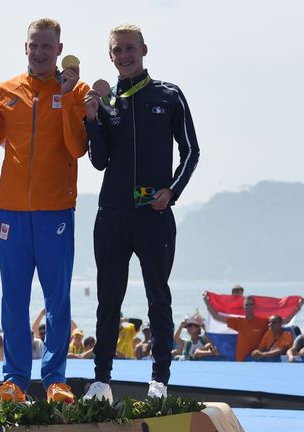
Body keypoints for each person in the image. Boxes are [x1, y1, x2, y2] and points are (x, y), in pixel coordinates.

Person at [82, 23, 200, 403]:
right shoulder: (105, 100)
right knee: (108, 299)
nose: (125, 55)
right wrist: (91, 120)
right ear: (111, 55)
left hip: (154, 214)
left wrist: (172, 191)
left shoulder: (168, 95)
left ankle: (159, 380)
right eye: (118, 50)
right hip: (112, 214)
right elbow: (99, 161)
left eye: (131, 48)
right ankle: (101, 381)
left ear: (144, 50)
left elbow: (191, 151)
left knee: (158, 299)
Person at [0, 18, 89, 405]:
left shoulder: (75, 90)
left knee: (57, 299)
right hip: (12, 213)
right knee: (13, 300)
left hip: (56, 212)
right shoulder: (5, 91)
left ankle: (55, 381)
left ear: (59, 50)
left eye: (48, 46)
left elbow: (77, 147)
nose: (41, 52)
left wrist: (64, 97)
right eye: (35, 45)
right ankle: (13, 380)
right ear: (25, 47)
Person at [204, 294, 303, 362]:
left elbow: (283, 321)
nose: (249, 306)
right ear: (243, 307)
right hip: (241, 360)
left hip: (255, 359)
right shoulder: (239, 321)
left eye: (251, 304)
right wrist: (206, 302)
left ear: (254, 306)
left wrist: (296, 309)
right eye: (247, 304)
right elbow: (216, 317)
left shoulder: (262, 321)